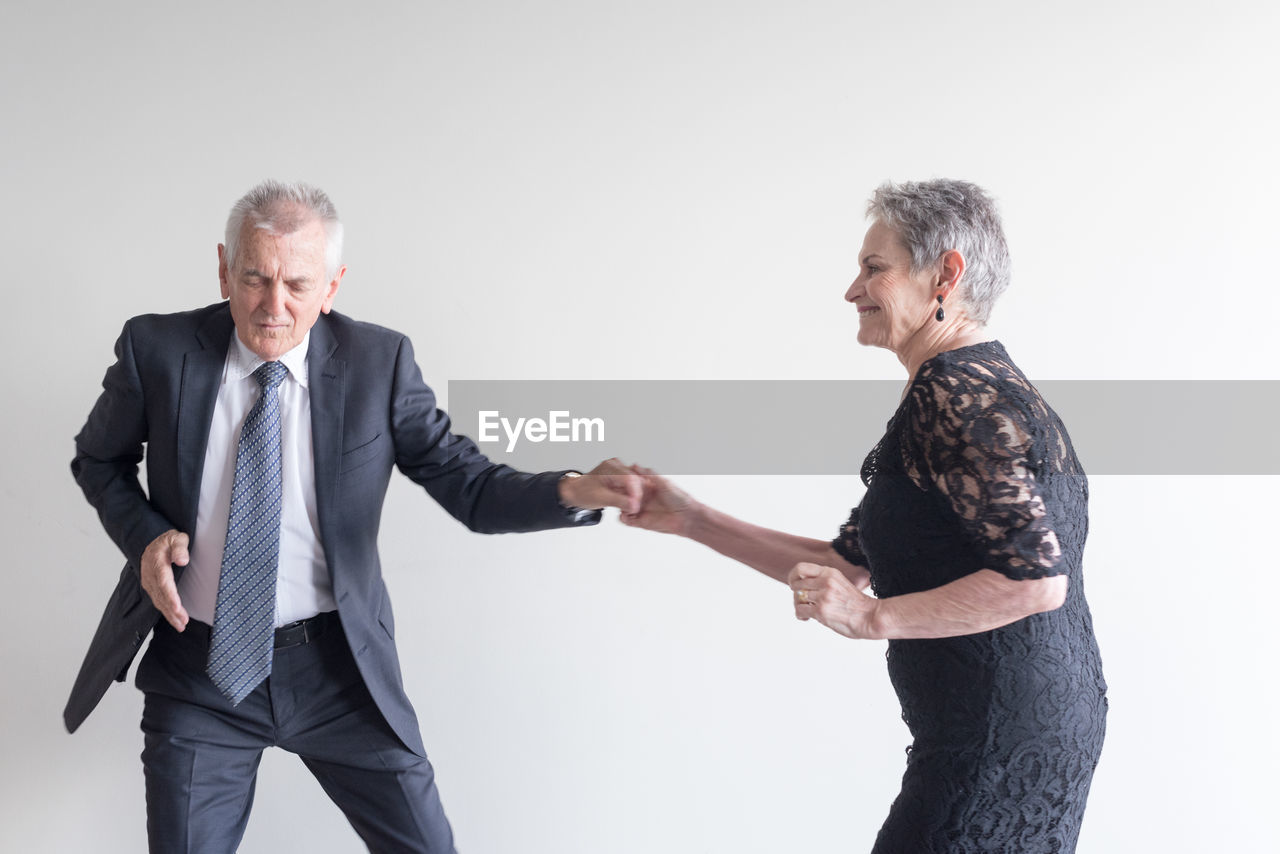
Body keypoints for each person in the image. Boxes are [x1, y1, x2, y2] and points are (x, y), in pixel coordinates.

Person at [65, 180, 643, 854]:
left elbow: (469, 485)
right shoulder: (157, 351)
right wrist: (146, 537)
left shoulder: (379, 364)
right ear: (224, 267)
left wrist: (573, 491)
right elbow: (96, 461)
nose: (273, 307)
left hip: (339, 674)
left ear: (332, 287)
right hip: (201, 673)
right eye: (253, 279)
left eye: (297, 286)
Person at [623, 179, 1107, 852]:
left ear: (946, 273)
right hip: (1031, 723)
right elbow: (848, 566)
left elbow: (1034, 581)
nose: (852, 291)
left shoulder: (955, 398)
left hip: (993, 740)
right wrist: (693, 519)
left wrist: (875, 619)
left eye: (873, 268)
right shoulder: (981, 385)